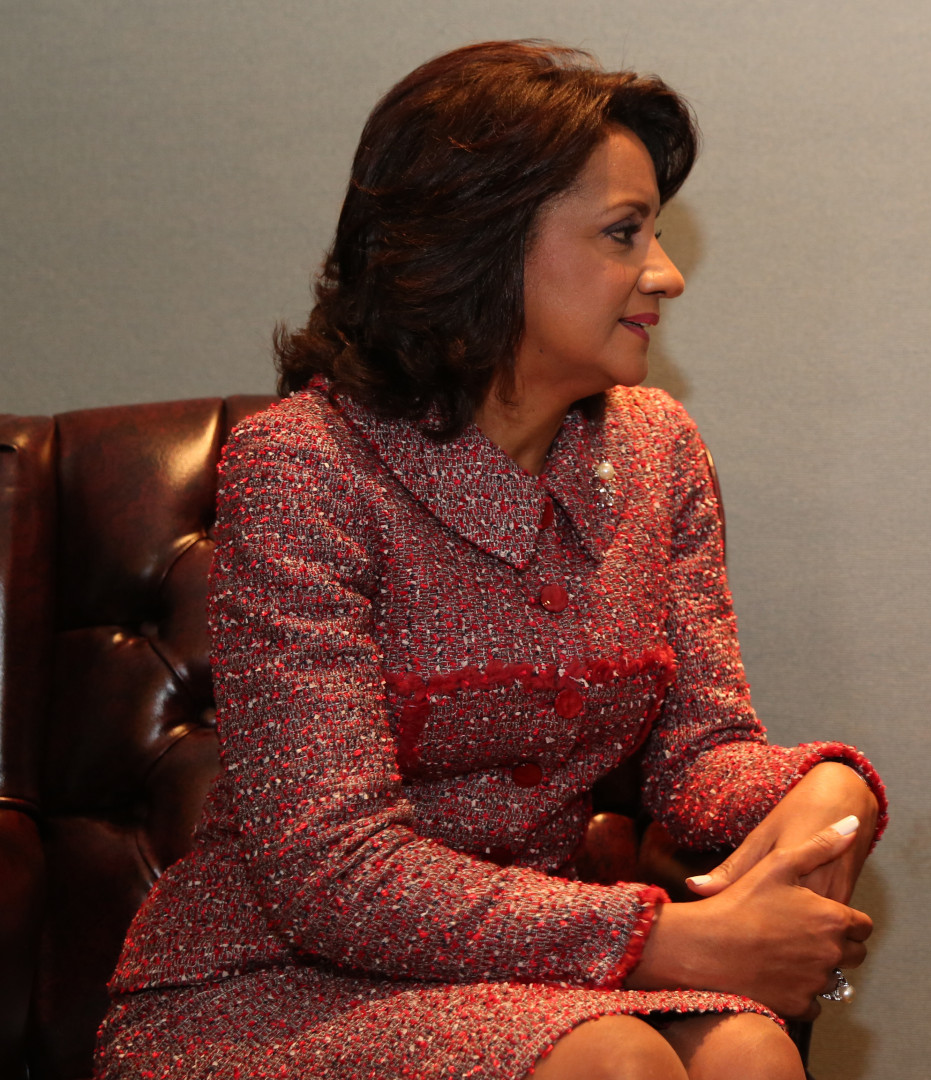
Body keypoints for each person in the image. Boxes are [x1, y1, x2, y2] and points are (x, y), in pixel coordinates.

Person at [95, 41, 884, 1080]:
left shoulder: (658, 450)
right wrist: (664, 939)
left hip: (531, 972)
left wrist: (824, 788)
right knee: (616, 1065)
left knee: (751, 1053)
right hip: (273, 984)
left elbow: (699, 760)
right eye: (625, 232)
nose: (666, 273)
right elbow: (331, 871)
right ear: (482, 243)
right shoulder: (305, 465)